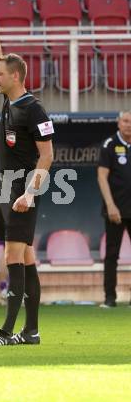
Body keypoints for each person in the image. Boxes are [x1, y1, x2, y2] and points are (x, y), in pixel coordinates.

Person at [0, 0, 54, 346]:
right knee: (26, 257)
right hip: (9, 188)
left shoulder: (32, 110)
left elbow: (47, 157)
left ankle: (7, 332)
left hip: (23, 189)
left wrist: (29, 193)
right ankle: (32, 331)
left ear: (17, 77)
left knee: (12, 257)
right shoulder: (9, 100)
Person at [98, 110, 131, 308]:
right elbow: (102, 176)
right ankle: (110, 298)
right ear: (119, 123)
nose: (129, 125)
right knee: (112, 255)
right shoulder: (109, 144)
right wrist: (111, 205)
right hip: (115, 210)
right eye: (126, 121)